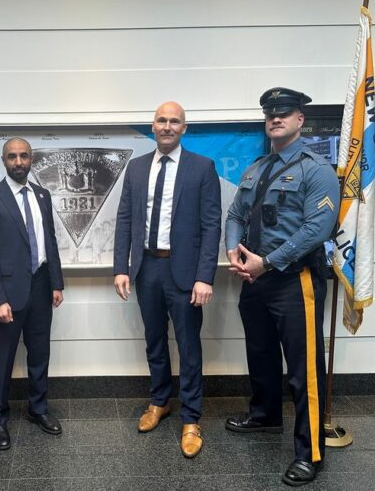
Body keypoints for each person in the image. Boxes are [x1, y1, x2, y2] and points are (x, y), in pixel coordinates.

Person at [224, 88, 339, 486]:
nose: (275, 118)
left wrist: (267, 262)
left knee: (304, 370)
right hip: (253, 278)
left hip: (294, 280)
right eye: (270, 113)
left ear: (299, 120)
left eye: (284, 113)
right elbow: (236, 214)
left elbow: (318, 228)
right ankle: (265, 416)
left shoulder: (316, 169)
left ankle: (311, 453)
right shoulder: (255, 169)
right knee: (260, 353)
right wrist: (234, 252)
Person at [113, 101, 221, 458]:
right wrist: (121, 267)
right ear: (153, 125)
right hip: (147, 269)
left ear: (184, 128)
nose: (168, 126)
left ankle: (191, 418)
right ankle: (159, 401)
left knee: (189, 347)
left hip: (185, 274)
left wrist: (205, 277)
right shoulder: (137, 167)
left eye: (175, 121)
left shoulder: (202, 168)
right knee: (154, 340)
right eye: (162, 120)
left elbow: (211, 226)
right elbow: (125, 219)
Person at [0, 137, 65, 450]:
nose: (18, 161)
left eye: (23, 156)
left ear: (32, 160)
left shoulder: (42, 194)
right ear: (4, 161)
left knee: (40, 353)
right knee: (3, 358)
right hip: (8, 294)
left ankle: (37, 409)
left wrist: (56, 283)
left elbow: (49, 241)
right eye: (12, 156)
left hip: (41, 286)